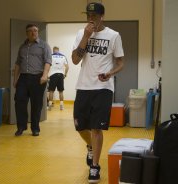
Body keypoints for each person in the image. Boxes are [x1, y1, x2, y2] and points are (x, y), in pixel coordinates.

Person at [71, 2, 124, 183]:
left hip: (103, 88)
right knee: (79, 125)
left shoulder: (113, 35)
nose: (90, 19)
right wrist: (86, 36)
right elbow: (75, 60)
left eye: (94, 16)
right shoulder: (81, 33)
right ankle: (90, 146)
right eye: (88, 16)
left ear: (102, 16)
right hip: (83, 86)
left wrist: (110, 73)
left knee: (96, 127)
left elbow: (120, 62)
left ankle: (95, 167)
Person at [13, 23, 52, 137]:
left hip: (38, 78)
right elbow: (17, 64)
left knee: (36, 104)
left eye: (35, 30)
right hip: (23, 78)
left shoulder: (44, 46)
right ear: (27, 33)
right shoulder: (22, 47)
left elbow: (48, 61)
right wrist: (15, 79)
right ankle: (21, 127)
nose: (33, 32)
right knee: (19, 101)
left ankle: (35, 128)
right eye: (31, 31)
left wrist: (45, 75)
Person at [48, 46, 69, 110]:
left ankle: (49, 106)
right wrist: (65, 74)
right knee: (61, 91)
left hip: (53, 75)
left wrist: (47, 74)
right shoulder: (63, 56)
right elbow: (67, 67)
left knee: (51, 91)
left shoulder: (50, 56)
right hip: (61, 75)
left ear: (53, 50)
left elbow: (47, 65)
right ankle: (61, 106)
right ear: (58, 50)